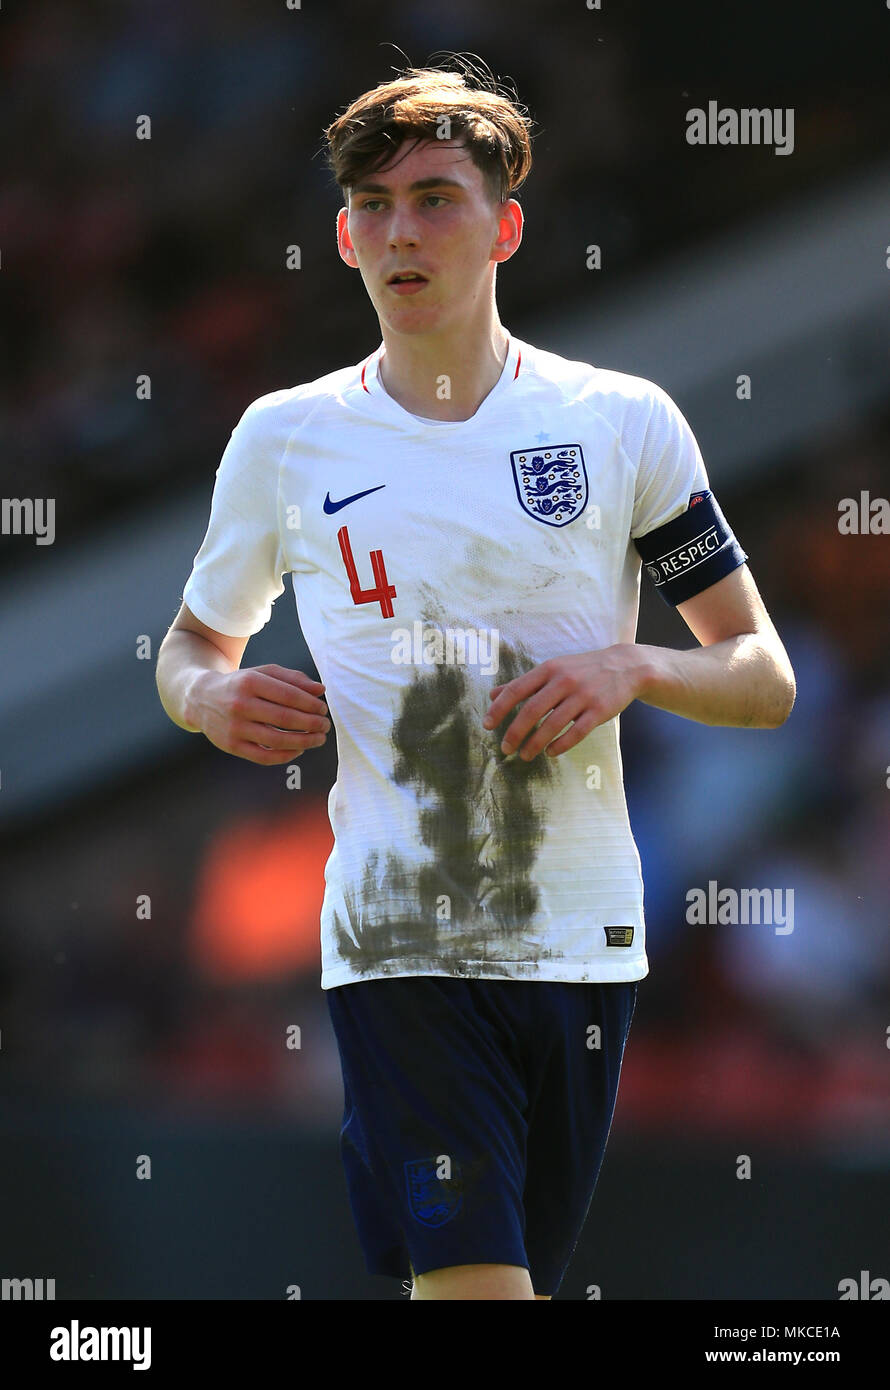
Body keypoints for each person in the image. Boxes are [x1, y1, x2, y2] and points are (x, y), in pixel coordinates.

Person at [155, 57, 796, 1301]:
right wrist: (209, 697)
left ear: (501, 225)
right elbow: (190, 648)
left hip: (586, 940)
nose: (404, 230)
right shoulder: (285, 437)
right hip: (400, 940)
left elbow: (758, 672)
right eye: (377, 205)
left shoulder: (620, 424)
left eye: (437, 198)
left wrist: (634, 665)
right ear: (343, 237)